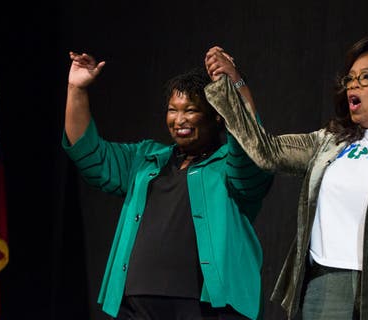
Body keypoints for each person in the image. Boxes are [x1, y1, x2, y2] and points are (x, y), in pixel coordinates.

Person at [203, 37, 368, 319]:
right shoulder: (330, 142)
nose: (354, 84)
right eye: (350, 78)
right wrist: (235, 83)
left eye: (367, 77)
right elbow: (266, 150)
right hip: (326, 286)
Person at [62, 51, 273, 320]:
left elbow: (252, 146)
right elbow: (90, 154)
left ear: (217, 117)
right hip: (138, 304)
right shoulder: (147, 159)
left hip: (204, 307)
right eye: (173, 110)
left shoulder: (230, 165)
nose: (179, 119)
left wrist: (235, 84)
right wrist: (76, 89)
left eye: (191, 110)